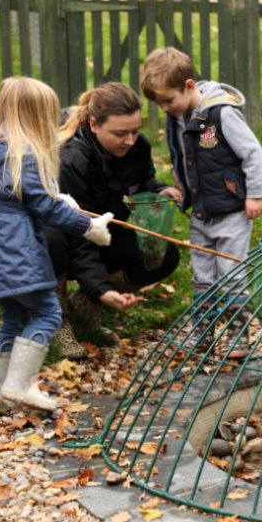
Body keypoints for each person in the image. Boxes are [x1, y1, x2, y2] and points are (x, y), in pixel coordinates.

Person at [0, 77, 114, 411]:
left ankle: (3, 397)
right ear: (36, 116)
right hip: (12, 245)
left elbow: (20, 194)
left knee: (13, 317)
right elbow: (44, 207)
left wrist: (55, 198)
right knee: (46, 312)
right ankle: (19, 385)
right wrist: (90, 226)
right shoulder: (25, 154)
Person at [140, 48, 262, 358]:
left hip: (233, 208)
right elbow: (184, 158)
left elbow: (252, 153)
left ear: (190, 85)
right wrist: (184, 189)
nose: (165, 108)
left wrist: (254, 194)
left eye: (169, 100)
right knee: (202, 276)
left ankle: (239, 336)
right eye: (159, 104)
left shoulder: (221, 113)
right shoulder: (178, 117)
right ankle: (203, 334)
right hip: (201, 212)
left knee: (231, 273)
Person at [48, 82, 182, 359]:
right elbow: (78, 233)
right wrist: (102, 290)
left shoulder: (135, 146)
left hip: (104, 233)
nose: (131, 141)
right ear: (94, 125)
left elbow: (141, 180)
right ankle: (56, 319)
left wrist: (157, 189)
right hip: (65, 242)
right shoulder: (72, 157)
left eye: (136, 131)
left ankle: (84, 304)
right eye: (121, 133)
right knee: (51, 236)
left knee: (162, 254)